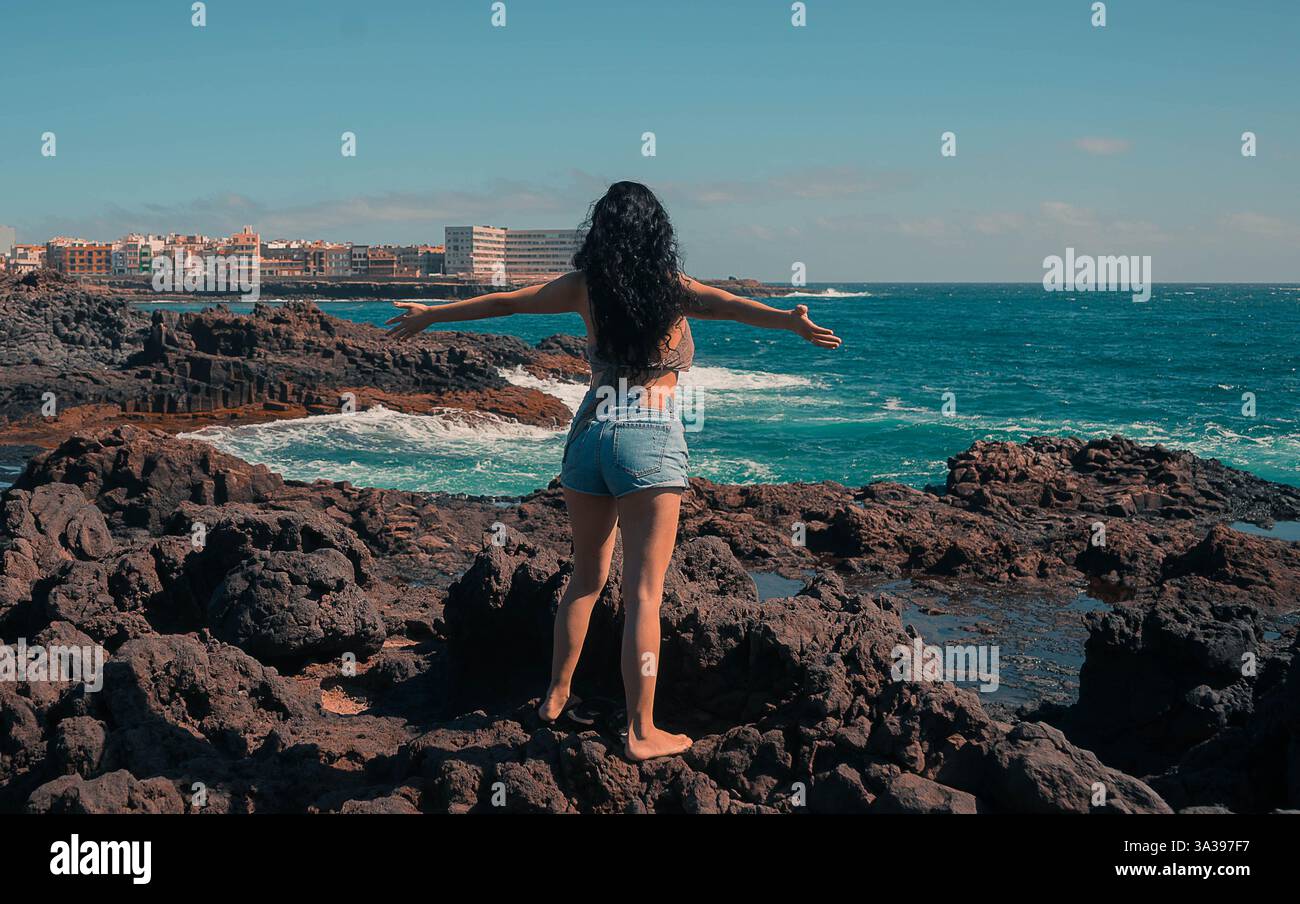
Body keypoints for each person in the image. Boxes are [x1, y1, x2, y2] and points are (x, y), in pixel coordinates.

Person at [386, 181, 841, 760]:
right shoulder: (674, 289)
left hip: (590, 433)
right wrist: (792, 323)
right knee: (644, 594)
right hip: (648, 435)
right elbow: (735, 309)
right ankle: (642, 731)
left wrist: (432, 316)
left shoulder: (584, 287)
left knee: (585, 578)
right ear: (659, 235)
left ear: (600, 232)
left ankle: (554, 696)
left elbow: (507, 302)